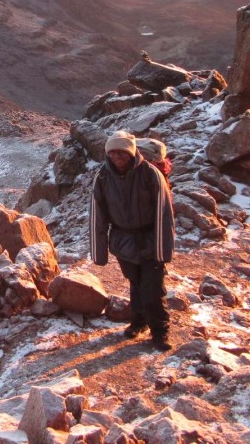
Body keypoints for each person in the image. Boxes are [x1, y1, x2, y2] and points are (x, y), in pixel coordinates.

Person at [90, 130, 176, 350]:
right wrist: (99, 252)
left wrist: (162, 249)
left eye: (122, 153)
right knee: (136, 284)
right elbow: (97, 215)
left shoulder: (150, 174)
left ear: (131, 152)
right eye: (113, 153)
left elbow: (164, 214)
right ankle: (138, 322)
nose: (117, 157)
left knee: (153, 288)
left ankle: (160, 331)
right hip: (122, 241)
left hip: (149, 239)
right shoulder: (102, 177)